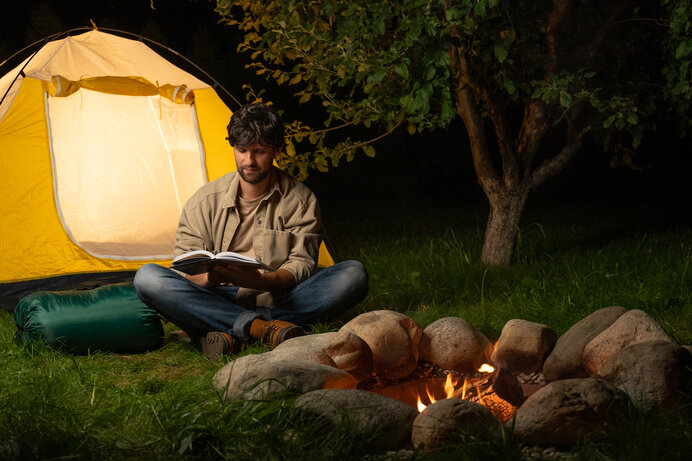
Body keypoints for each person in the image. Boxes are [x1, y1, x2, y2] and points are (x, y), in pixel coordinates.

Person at [134, 103, 368, 361]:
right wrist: (209, 278)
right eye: (241, 150)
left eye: (259, 151)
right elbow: (184, 268)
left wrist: (260, 280)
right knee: (148, 278)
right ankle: (263, 329)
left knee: (352, 274)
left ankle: (225, 331)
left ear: (276, 149)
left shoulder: (301, 200)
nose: (249, 161)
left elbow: (301, 265)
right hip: (219, 294)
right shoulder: (204, 201)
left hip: (277, 295)